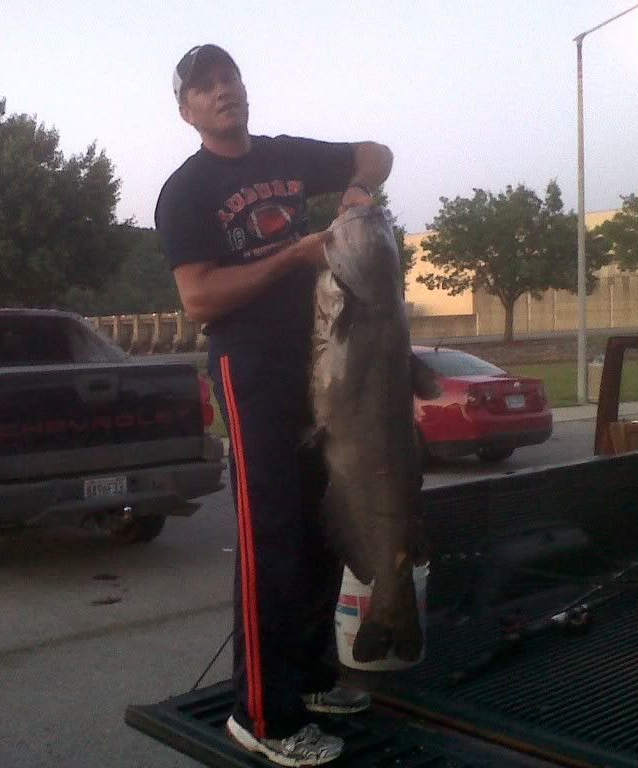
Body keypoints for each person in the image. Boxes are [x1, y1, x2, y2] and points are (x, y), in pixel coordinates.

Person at [155, 44, 393, 766]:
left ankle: (314, 678)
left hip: (320, 361)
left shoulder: (286, 156)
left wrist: (354, 195)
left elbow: (376, 154)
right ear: (187, 109)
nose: (223, 92)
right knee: (273, 538)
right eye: (205, 87)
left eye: (229, 79)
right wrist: (293, 255)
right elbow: (198, 299)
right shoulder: (186, 191)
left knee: (324, 523)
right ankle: (261, 715)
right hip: (250, 365)